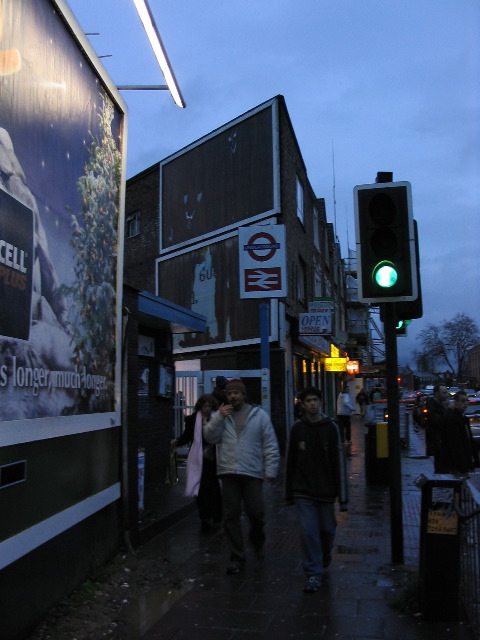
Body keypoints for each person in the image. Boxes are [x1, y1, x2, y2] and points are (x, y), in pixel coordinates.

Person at [203, 378, 280, 574]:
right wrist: (218, 417)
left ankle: (257, 537)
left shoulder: (259, 415)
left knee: (256, 512)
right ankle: (237, 556)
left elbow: (270, 443)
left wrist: (271, 469)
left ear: (243, 395)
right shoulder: (222, 416)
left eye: (236, 393)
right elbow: (209, 437)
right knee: (231, 516)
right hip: (228, 471)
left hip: (252, 471)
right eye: (230, 393)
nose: (233, 396)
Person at [285, 387, 348, 593]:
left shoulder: (331, 428)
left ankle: (324, 553)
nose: (312, 404)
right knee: (308, 531)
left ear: (321, 402)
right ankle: (313, 572)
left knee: (327, 530)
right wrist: (288, 492)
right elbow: (291, 462)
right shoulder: (297, 429)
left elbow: (338, 461)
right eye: (308, 401)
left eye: (315, 400)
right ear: (302, 404)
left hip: (326, 490)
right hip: (303, 490)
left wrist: (343, 496)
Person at [171, 394, 222, 531]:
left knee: (213, 489)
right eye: (204, 406)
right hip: (198, 459)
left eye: (209, 406)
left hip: (213, 459)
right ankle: (205, 518)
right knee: (200, 490)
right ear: (200, 406)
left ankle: (214, 516)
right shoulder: (193, 420)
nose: (206, 409)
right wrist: (178, 442)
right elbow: (187, 435)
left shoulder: (216, 418)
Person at [440, 390, 479, 477]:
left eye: (466, 401)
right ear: (455, 403)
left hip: (463, 463)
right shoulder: (453, 419)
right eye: (462, 401)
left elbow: (469, 441)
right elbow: (456, 445)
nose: (465, 403)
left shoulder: (463, 418)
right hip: (456, 466)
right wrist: (463, 468)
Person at [424, 383, 449, 472]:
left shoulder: (438, 405)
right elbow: (439, 422)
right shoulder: (433, 406)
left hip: (440, 442)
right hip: (438, 442)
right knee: (440, 468)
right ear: (436, 393)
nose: (446, 395)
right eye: (443, 393)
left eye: (446, 393)